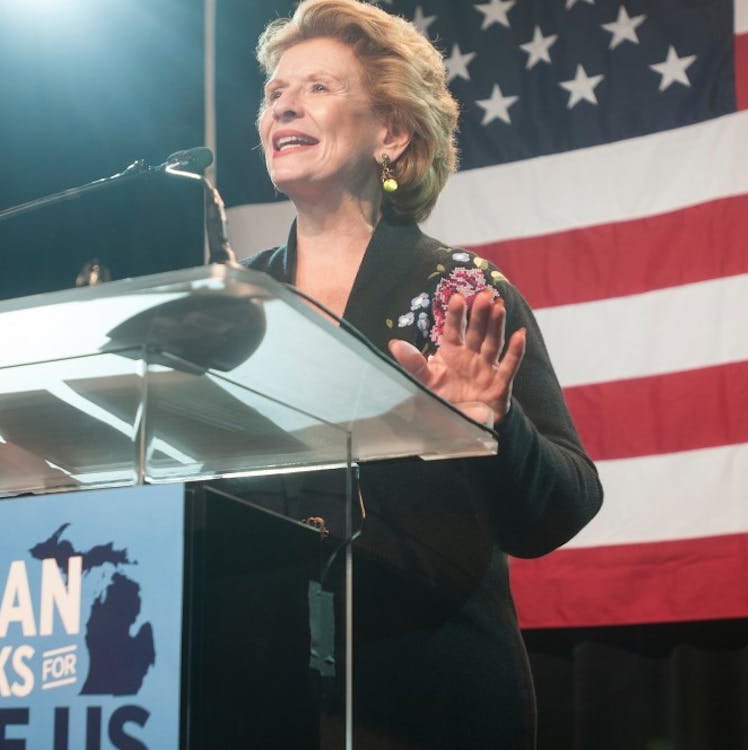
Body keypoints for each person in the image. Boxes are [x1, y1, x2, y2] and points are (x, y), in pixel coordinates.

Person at [227, 1, 604, 747]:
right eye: (275, 93)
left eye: (318, 87)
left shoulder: (460, 294)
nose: (284, 106)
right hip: (259, 694)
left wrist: (492, 427)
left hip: (428, 697)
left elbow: (564, 504)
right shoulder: (234, 306)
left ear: (392, 134)